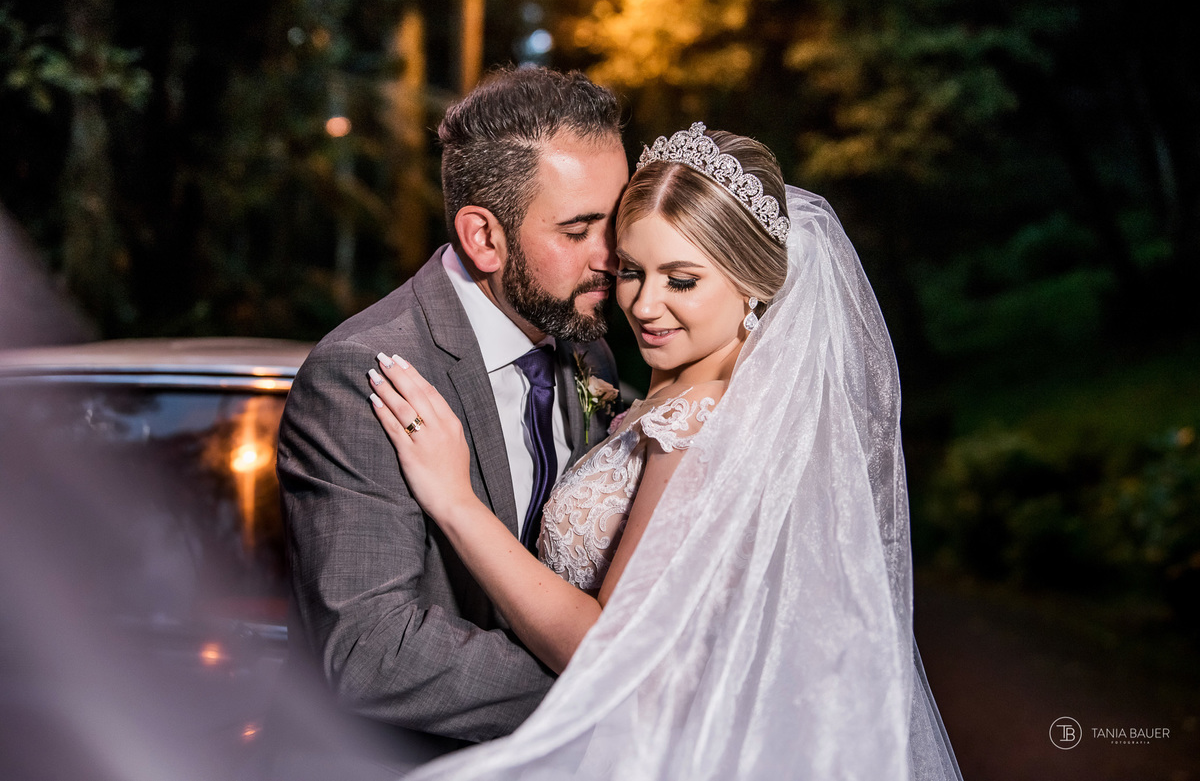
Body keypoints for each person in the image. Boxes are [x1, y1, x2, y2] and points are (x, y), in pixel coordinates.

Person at [368, 123, 963, 779]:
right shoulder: (698, 399)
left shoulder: (698, 422)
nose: (645, 305)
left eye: (681, 280)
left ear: (753, 283)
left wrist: (455, 503)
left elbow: (609, 647)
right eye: (630, 270)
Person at [273, 66, 628, 770]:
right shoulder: (366, 374)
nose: (612, 256)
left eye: (616, 221)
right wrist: (604, 695)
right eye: (580, 228)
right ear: (483, 238)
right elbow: (374, 649)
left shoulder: (594, 354)